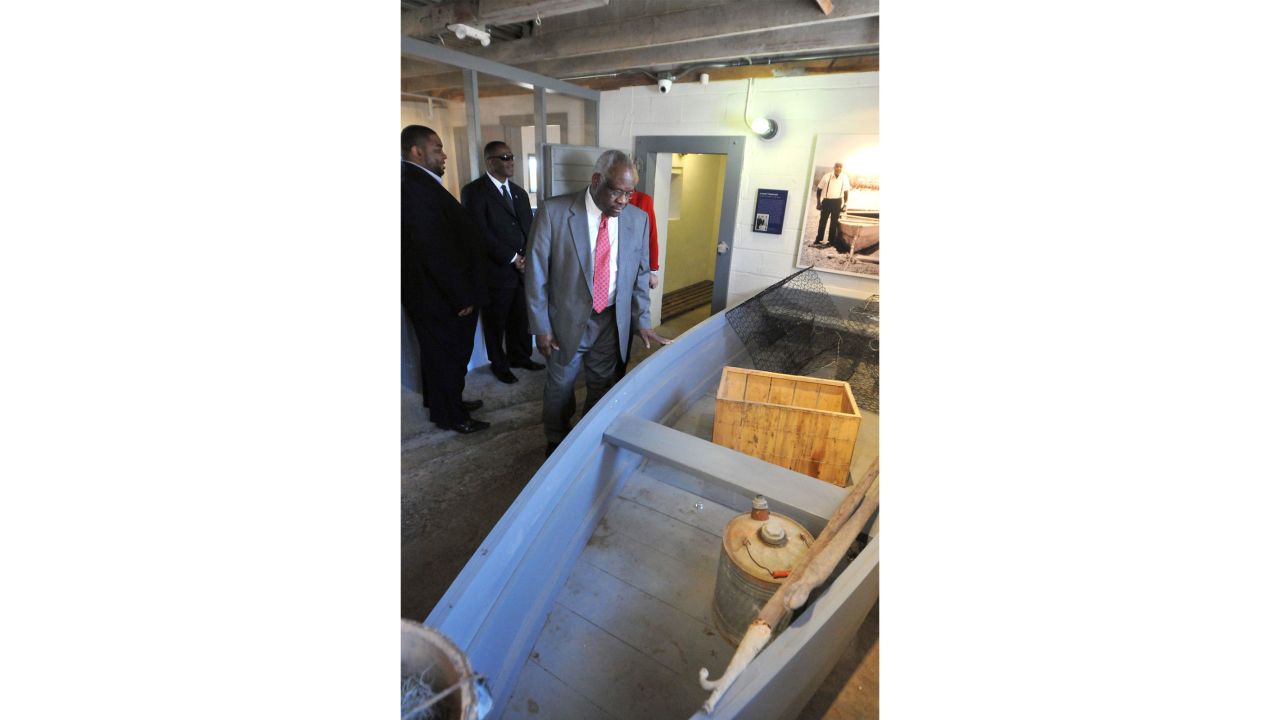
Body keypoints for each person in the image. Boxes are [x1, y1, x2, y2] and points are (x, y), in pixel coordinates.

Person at [525, 150, 671, 456]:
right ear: (596, 180)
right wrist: (540, 326)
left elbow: (640, 275)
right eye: (617, 191)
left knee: (603, 384)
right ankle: (556, 440)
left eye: (629, 193)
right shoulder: (555, 212)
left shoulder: (638, 219)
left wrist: (642, 320)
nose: (623, 201)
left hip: (611, 320)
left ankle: (586, 438)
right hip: (566, 319)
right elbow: (536, 274)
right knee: (560, 385)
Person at [401, 125, 490, 434]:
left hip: (437, 296)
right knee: (446, 358)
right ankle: (450, 415)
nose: (444, 154)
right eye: (437, 148)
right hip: (441, 300)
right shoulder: (413, 186)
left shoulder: (419, 182)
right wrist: (460, 297)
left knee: (442, 357)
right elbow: (432, 250)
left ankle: (448, 403)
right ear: (417, 151)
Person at [460, 141, 545, 385]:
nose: (510, 161)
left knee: (520, 317)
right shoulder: (474, 192)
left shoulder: (518, 192)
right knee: (496, 322)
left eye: (512, 156)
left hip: (522, 270)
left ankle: (520, 356)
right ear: (490, 161)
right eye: (504, 157)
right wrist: (512, 257)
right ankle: (499, 364)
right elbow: (479, 233)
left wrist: (527, 256)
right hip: (496, 272)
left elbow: (528, 226)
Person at [813, 161, 852, 252]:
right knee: (823, 221)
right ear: (833, 167)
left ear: (842, 168)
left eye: (840, 167)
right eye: (837, 166)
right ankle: (819, 239)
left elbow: (846, 192)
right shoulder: (827, 176)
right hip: (826, 201)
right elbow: (819, 189)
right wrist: (818, 203)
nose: (838, 168)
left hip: (837, 202)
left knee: (834, 223)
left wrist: (845, 204)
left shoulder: (844, 178)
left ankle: (831, 241)